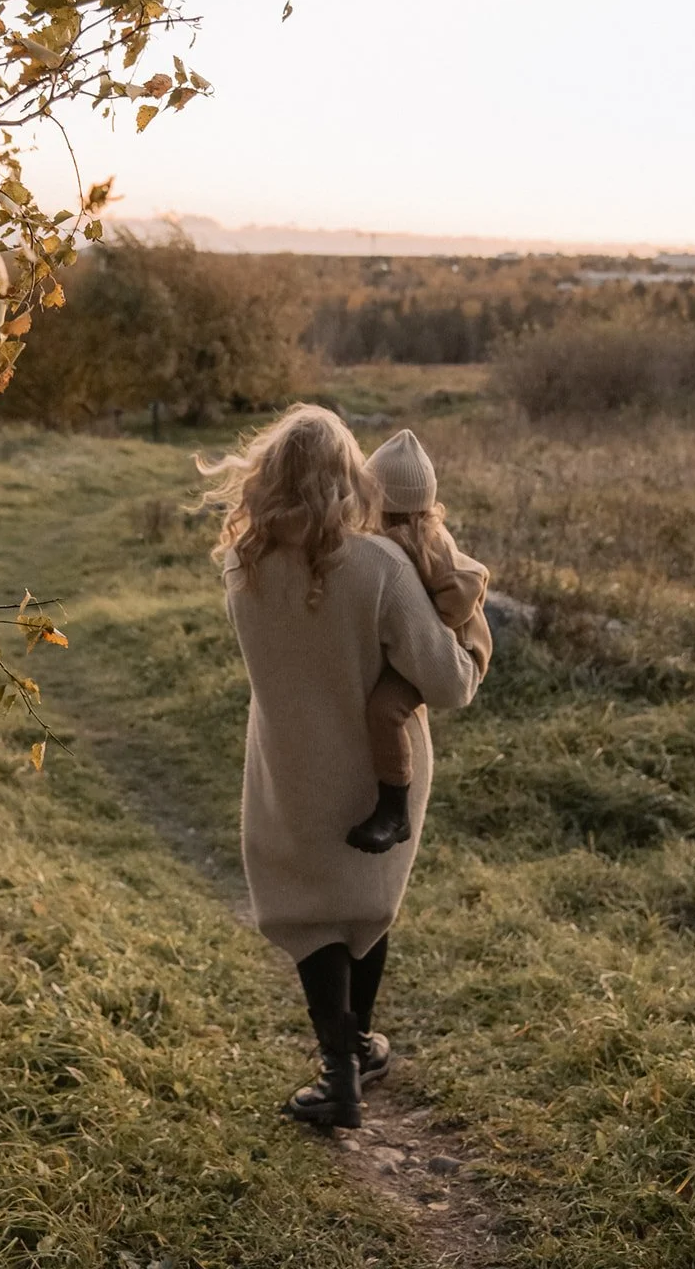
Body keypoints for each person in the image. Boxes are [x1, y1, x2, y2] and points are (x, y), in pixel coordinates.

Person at [199, 404, 481, 1130]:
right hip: (378, 770)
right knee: (365, 902)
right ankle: (355, 1049)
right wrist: (474, 635)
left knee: (310, 910)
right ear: (347, 476)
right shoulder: (379, 565)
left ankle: (340, 1066)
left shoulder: (243, 564)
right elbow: (448, 684)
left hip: (288, 766)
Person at [347, 429, 493, 854]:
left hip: (460, 648)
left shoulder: (427, 542)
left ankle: (395, 810)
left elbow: (471, 581)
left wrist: (434, 620)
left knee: (384, 709)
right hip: (419, 643)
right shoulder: (389, 537)